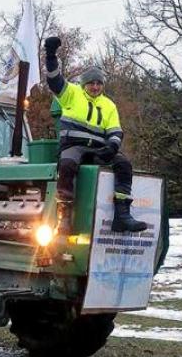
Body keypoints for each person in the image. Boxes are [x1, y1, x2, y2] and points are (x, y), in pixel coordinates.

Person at [43, 36, 147, 235]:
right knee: (66, 165)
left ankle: (122, 216)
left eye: (99, 83)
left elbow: (115, 130)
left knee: (124, 164)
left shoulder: (109, 104)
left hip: (99, 148)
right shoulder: (71, 93)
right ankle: (64, 218)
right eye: (91, 83)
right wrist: (50, 55)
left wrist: (112, 147)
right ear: (84, 84)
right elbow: (54, 78)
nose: (96, 87)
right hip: (73, 145)